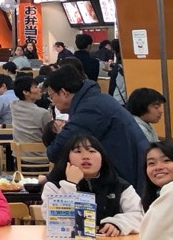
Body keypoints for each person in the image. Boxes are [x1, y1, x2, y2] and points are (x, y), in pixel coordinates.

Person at [45, 62, 149, 193]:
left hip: (128, 180)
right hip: (131, 172)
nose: (52, 101)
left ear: (63, 93)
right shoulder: (96, 100)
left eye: (51, 96)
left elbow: (57, 150)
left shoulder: (90, 108)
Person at [42, 133, 144, 235]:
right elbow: (55, 221)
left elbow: (139, 215)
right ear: (67, 158)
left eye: (91, 151)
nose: (85, 156)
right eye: (78, 151)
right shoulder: (54, 186)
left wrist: (117, 224)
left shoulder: (120, 186)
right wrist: (70, 184)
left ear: (102, 157)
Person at [10, 76, 52, 144]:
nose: (39, 89)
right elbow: (50, 136)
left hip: (18, 153)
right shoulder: (43, 113)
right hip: (40, 153)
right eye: (35, 87)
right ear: (25, 92)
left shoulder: (13, 105)